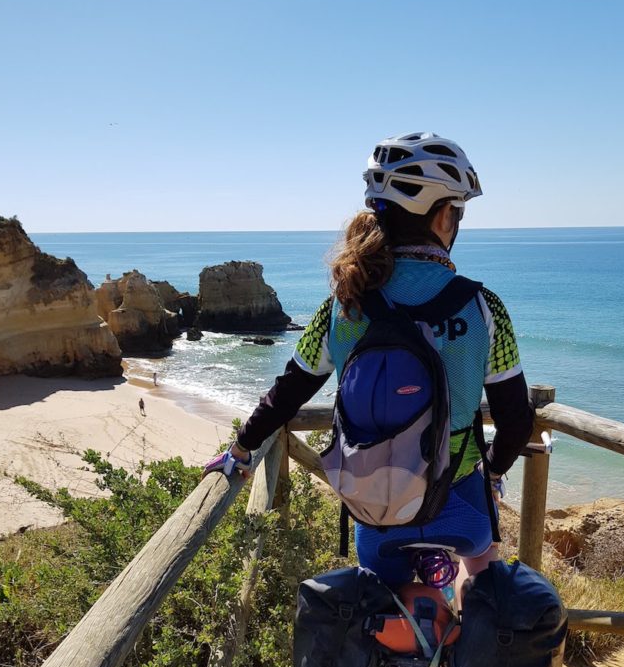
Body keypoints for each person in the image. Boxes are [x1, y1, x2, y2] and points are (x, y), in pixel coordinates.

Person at [204, 132, 534, 589]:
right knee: (480, 573)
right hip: (458, 502)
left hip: (374, 509)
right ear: (443, 217)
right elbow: (517, 421)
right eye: (457, 212)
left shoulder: (343, 305)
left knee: (381, 611)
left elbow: (287, 394)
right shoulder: (482, 308)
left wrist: (240, 450)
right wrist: (491, 477)